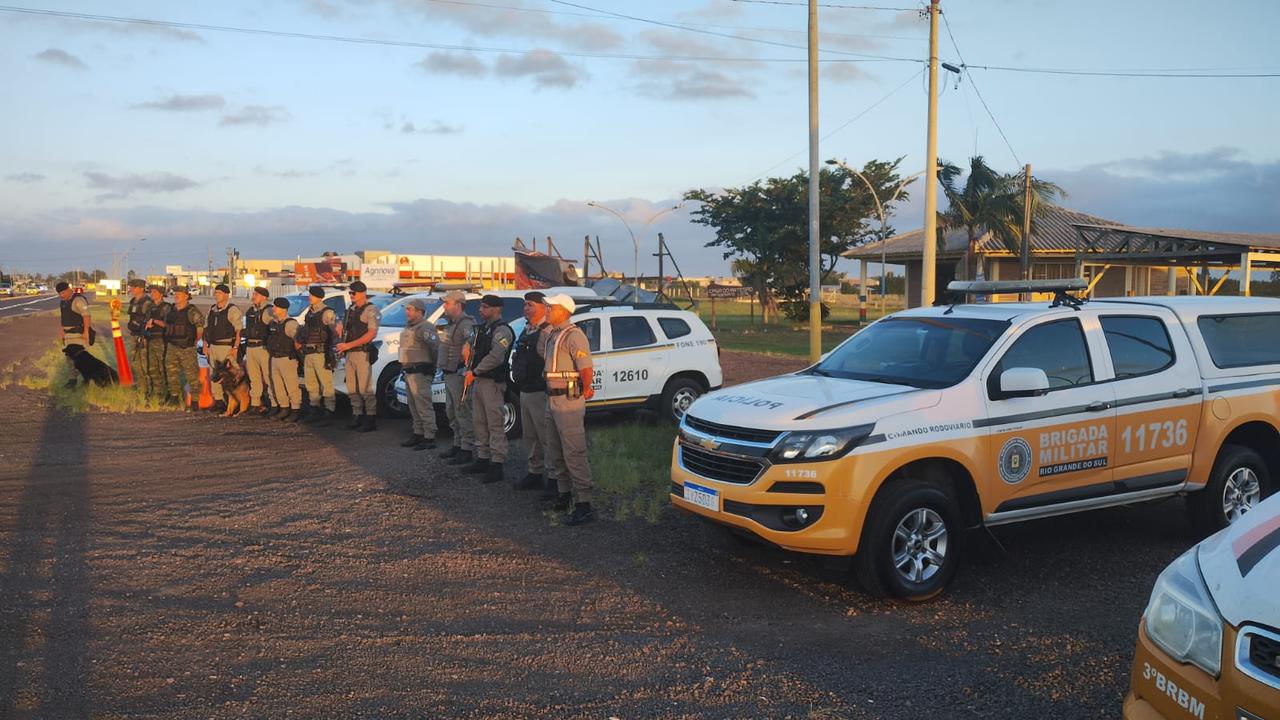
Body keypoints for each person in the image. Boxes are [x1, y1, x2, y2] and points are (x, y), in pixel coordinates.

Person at [538, 294, 596, 526]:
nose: (548, 309)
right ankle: (564, 495)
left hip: (568, 402)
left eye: (551, 307)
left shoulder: (574, 335)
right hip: (552, 401)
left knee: (574, 451)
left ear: (564, 310)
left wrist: (587, 388)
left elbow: (586, 367)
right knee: (555, 450)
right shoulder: (553, 333)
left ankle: (584, 503)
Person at [463, 294, 515, 484]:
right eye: (481, 307)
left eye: (485, 307)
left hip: (492, 382)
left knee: (494, 423)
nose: (480, 310)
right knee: (479, 421)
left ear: (496, 309)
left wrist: (475, 371)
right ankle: (483, 458)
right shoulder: (483, 330)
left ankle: (497, 463)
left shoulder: (502, 331)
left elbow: (496, 357)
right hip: (479, 380)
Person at [509, 291, 551, 492]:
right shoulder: (528, 329)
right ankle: (534, 472)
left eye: (530, 305)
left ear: (542, 307)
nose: (526, 308)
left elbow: (550, 363)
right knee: (530, 436)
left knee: (546, 437)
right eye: (525, 305)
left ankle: (553, 478)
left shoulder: (545, 331)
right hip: (525, 391)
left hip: (539, 392)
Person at [436, 290, 476, 465]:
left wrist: (468, 350)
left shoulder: (466, 324)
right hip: (449, 374)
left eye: (447, 303)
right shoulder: (451, 324)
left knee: (462, 412)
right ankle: (458, 444)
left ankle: (466, 449)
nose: (444, 306)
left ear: (458, 305)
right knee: (452, 412)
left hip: (459, 375)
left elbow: (472, 343)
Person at [334, 280, 381, 432]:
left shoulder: (371, 310)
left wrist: (349, 345)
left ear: (363, 293)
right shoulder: (352, 309)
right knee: (352, 387)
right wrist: (341, 328)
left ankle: (371, 418)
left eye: (354, 293)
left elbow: (372, 333)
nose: (351, 295)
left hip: (361, 352)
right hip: (350, 353)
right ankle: (357, 415)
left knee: (364, 388)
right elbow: (348, 329)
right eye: (350, 293)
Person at [398, 298, 439, 450]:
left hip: (420, 372)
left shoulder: (425, 327)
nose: (406, 312)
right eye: (406, 309)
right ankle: (418, 433)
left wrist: (431, 366)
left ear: (419, 311)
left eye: (410, 309)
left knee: (423, 405)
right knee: (413, 405)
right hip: (409, 371)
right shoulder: (409, 327)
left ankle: (429, 437)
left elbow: (435, 348)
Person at [158, 286, 205, 409]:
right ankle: (174, 397)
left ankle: (195, 401)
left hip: (186, 348)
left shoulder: (192, 311)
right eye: (176, 294)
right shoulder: (170, 310)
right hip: (172, 346)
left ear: (186, 296)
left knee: (192, 375)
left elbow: (200, 327)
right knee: (171, 373)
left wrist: (195, 341)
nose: (177, 296)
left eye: (180, 294)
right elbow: (167, 325)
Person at [299, 286, 337, 426]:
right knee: (311, 384)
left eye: (312, 295)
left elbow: (334, 333)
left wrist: (331, 353)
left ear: (319, 297)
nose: (310, 297)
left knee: (326, 384)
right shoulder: (310, 312)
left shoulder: (327, 312)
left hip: (321, 352)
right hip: (309, 352)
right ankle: (314, 410)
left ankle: (329, 411)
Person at [204, 283, 243, 413]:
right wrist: (205, 345)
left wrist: (235, 347)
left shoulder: (232, 310)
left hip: (226, 346)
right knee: (214, 374)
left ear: (226, 295)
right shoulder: (212, 310)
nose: (216, 295)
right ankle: (219, 401)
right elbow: (206, 329)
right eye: (215, 292)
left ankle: (235, 402)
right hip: (213, 346)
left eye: (219, 292)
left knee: (231, 374)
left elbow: (239, 330)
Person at [266, 296, 302, 421]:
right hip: (275, 358)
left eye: (276, 306)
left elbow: (298, 341)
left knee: (291, 385)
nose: (274, 309)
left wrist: (299, 358)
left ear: (283, 309)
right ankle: (284, 408)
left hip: (287, 358)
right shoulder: (275, 323)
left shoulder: (290, 324)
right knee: (278, 385)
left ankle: (295, 409)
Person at [242, 287, 275, 417]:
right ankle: (256, 404)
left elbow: (275, 327)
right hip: (250, 347)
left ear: (264, 297)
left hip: (263, 348)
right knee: (254, 378)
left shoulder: (268, 311)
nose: (253, 296)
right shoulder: (251, 311)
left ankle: (274, 404)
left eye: (256, 294)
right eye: (254, 293)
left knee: (268, 377)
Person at [56, 281, 92, 387]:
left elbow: (86, 316)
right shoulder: (63, 302)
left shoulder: (78, 300)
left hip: (78, 334)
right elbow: (64, 317)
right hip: (68, 335)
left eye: (63, 293)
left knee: (81, 358)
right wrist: (62, 330)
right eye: (59, 294)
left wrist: (86, 332)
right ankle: (72, 380)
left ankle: (86, 379)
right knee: (69, 358)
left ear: (68, 289)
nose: (61, 296)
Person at [124, 279, 156, 398]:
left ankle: (149, 390)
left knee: (145, 364)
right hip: (134, 335)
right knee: (135, 362)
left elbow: (150, 320)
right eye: (131, 286)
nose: (131, 289)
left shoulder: (147, 302)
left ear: (141, 288)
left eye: (133, 287)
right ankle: (142, 388)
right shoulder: (133, 301)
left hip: (143, 337)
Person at [142, 285, 171, 400]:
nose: (152, 294)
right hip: (151, 339)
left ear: (161, 294)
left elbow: (168, 325)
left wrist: (155, 321)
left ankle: (168, 393)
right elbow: (145, 323)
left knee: (163, 367)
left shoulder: (166, 308)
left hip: (161, 340)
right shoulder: (150, 308)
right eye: (151, 292)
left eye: (154, 292)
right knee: (152, 368)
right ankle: (156, 392)